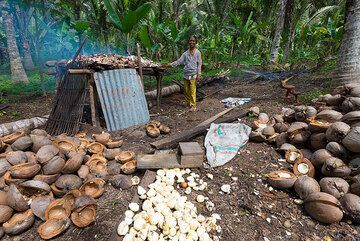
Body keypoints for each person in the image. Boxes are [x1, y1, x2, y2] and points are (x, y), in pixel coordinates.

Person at [164, 35, 202, 112]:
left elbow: (199, 63)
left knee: (192, 90)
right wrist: (170, 64)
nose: (192, 42)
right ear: (188, 42)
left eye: (193, 41)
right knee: (186, 90)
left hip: (193, 74)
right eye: (190, 40)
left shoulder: (198, 52)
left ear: (195, 42)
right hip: (186, 74)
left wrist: (199, 73)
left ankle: (193, 105)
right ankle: (188, 103)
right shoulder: (185, 53)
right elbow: (179, 61)